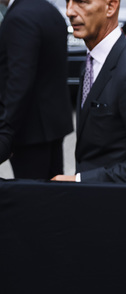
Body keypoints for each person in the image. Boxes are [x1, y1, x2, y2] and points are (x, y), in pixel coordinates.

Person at [53, 0, 126, 183]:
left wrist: (80, 180)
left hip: (118, 206)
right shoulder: (92, 60)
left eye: (82, 2)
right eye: (68, 2)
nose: (69, 11)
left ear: (111, 6)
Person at [0, 0, 72, 180]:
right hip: (52, 123)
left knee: (32, 197)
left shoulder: (19, 18)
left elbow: (19, 80)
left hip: (29, 129)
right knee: (52, 192)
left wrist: (6, 129)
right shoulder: (49, 11)